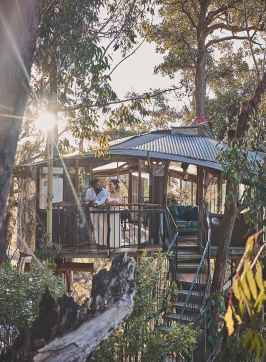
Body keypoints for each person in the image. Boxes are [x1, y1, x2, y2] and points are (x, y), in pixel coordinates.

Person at [85, 179, 108, 246]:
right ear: (92, 186)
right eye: (96, 185)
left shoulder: (104, 191)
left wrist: (95, 202)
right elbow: (87, 200)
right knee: (95, 226)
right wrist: (91, 203)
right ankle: (97, 242)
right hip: (92, 210)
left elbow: (102, 201)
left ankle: (102, 242)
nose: (98, 186)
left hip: (101, 210)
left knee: (101, 226)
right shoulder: (89, 191)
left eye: (99, 184)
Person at [107, 179, 122, 248]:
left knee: (116, 227)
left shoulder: (119, 193)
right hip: (110, 212)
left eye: (111, 184)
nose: (109, 185)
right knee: (109, 227)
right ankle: (110, 243)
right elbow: (106, 202)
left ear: (115, 185)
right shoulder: (108, 193)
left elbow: (122, 202)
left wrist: (117, 203)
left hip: (116, 213)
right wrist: (110, 203)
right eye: (109, 184)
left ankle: (116, 243)